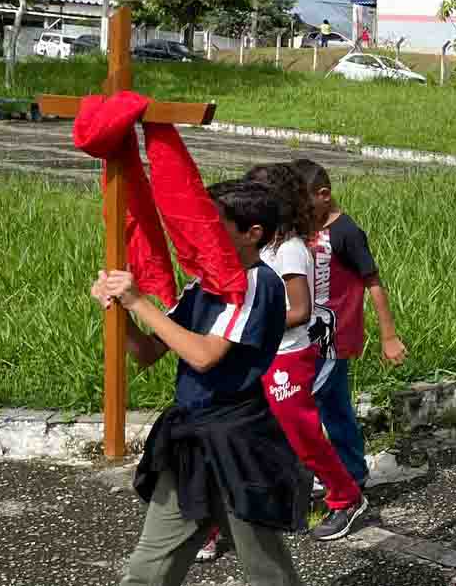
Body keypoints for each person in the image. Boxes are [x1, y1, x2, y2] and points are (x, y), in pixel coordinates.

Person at [103, 179, 306, 586]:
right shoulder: (203, 284)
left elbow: (203, 356)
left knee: (267, 572)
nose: (201, 232)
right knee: (147, 570)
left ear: (253, 234)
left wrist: (139, 302)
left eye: (215, 224)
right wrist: (117, 311)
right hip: (190, 440)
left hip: (238, 440)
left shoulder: (256, 284)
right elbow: (147, 352)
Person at [246, 164, 366, 541]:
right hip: (259, 353)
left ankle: (347, 497)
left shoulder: (291, 250)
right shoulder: (261, 246)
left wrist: (253, 323)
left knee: (305, 435)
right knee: (248, 432)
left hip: (288, 357)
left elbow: (298, 312)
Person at [289, 159, 408, 499]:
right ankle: (344, 469)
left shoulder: (347, 232)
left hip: (334, 339)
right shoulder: (300, 230)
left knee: (312, 403)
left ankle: (342, 475)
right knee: (332, 405)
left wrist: (388, 336)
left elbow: (373, 283)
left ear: (323, 195)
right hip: (303, 336)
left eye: (300, 204)